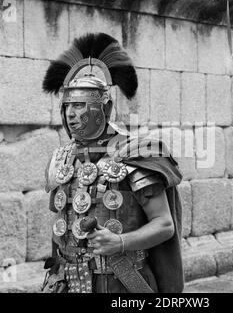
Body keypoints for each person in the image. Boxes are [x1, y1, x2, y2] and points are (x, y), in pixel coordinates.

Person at [41, 33, 183, 293]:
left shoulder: (136, 153)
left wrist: (120, 241)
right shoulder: (61, 158)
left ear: (104, 109)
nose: (71, 114)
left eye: (80, 105)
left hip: (121, 282)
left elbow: (164, 225)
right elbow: (60, 225)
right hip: (69, 282)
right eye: (67, 105)